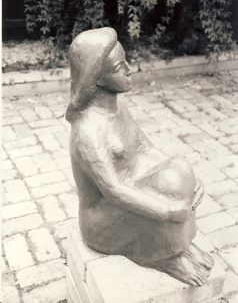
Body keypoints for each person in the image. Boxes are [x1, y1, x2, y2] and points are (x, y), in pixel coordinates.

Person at [66, 27, 214, 286]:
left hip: (127, 191)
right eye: (117, 67)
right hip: (102, 222)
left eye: (126, 60)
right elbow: (114, 191)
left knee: (179, 170)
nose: (129, 69)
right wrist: (167, 210)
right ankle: (161, 258)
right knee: (162, 196)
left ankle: (176, 247)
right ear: (95, 78)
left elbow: (147, 151)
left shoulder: (118, 111)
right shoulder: (86, 131)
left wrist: (190, 179)